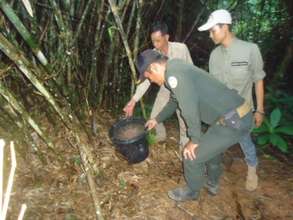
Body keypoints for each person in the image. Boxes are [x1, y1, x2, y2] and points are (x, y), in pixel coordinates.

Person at [138, 49, 253, 201]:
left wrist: (194, 139)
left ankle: (192, 190)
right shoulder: (176, 67)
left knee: (191, 155)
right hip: (234, 116)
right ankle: (212, 183)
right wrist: (157, 119)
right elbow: (175, 101)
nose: (151, 81)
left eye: (149, 77)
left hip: (234, 119)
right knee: (211, 151)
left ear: (153, 68)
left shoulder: (174, 74)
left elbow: (188, 108)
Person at [198, 9, 266, 191]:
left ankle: (252, 167)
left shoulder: (250, 50)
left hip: (242, 112)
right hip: (221, 111)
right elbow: (214, 88)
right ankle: (212, 176)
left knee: (245, 140)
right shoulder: (214, 56)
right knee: (212, 141)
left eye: (213, 31)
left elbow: (258, 80)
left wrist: (260, 109)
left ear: (225, 27)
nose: (210, 35)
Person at [123, 22, 193, 149]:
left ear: (167, 37)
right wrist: (133, 100)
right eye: (153, 41)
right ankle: (160, 136)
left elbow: (191, 70)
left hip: (183, 90)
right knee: (155, 117)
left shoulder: (181, 49)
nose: (155, 45)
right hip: (166, 90)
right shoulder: (154, 55)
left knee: (185, 121)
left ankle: (185, 148)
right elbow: (146, 80)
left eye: (158, 41)